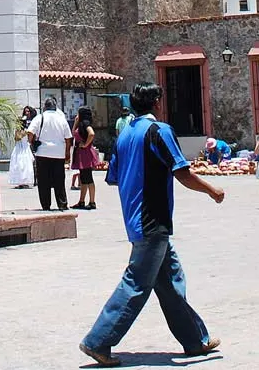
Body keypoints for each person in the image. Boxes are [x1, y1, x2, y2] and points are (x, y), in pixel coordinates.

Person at [79, 82, 224, 367]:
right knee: (136, 283)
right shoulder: (159, 131)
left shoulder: (124, 135)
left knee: (170, 281)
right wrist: (211, 190)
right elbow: (181, 171)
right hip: (152, 220)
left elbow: (115, 177)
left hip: (135, 219)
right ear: (157, 102)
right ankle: (98, 340)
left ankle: (195, 340)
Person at [28, 97, 74, 211]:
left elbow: (29, 132)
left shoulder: (40, 117)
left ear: (45, 107)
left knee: (43, 181)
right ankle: (62, 204)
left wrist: (32, 142)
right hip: (58, 154)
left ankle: (46, 205)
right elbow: (68, 138)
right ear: (55, 107)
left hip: (42, 153)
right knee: (59, 180)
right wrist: (67, 152)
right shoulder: (61, 119)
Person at [72, 106, 100, 210]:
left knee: (88, 178)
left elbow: (91, 133)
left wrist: (85, 144)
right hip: (81, 154)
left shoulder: (85, 123)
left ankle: (92, 202)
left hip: (85, 154)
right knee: (83, 178)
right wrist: (75, 122)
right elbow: (73, 133)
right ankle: (81, 201)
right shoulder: (80, 123)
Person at [9, 106, 36, 188]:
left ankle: (26, 182)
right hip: (19, 149)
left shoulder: (27, 130)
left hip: (25, 148)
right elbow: (17, 138)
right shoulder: (18, 131)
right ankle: (20, 182)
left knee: (25, 165)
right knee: (18, 165)